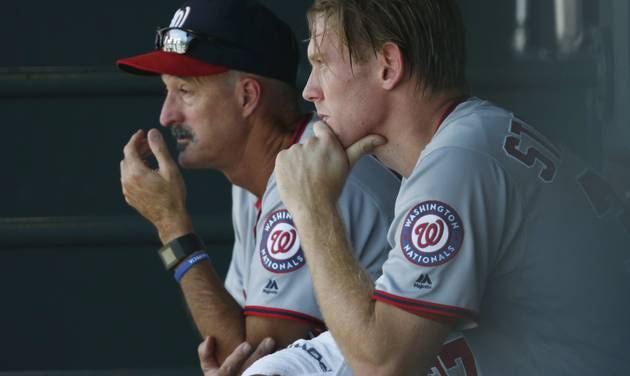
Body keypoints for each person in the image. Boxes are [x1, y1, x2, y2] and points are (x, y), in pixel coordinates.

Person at [242, 0, 630, 374]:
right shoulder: (463, 143)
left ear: (388, 65)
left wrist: (313, 207)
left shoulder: (459, 161)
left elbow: (384, 365)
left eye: (322, 63)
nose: (310, 90)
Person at [117, 0, 400, 372]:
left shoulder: (314, 170)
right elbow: (236, 347)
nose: (167, 115)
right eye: (168, 92)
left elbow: (261, 363)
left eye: (185, 91)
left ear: (247, 96)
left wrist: (172, 227)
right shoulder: (254, 177)